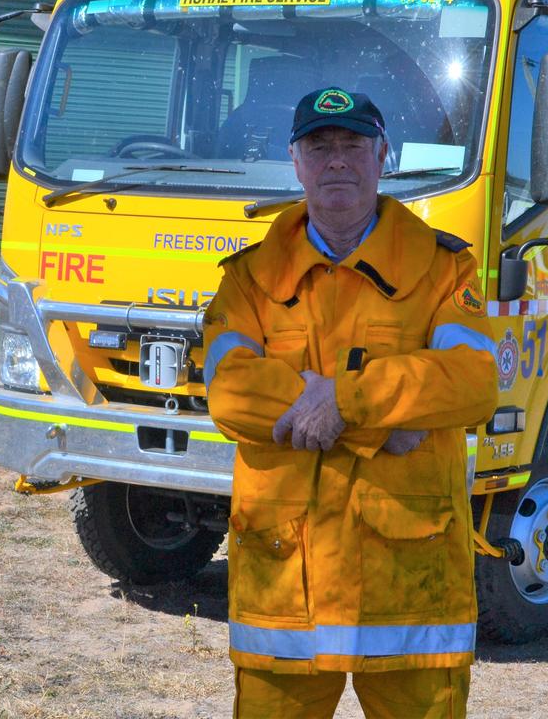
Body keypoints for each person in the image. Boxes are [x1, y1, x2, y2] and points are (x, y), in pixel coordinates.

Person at [203, 86, 499, 719]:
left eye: (353, 144)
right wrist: (381, 422)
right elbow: (229, 391)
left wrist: (345, 401)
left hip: (410, 595)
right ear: (296, 161)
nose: (337, 160)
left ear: (382, 156)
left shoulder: (444, 270)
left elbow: (473, 381)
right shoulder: (248, 279)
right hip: (285, 591)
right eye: (320, 146)